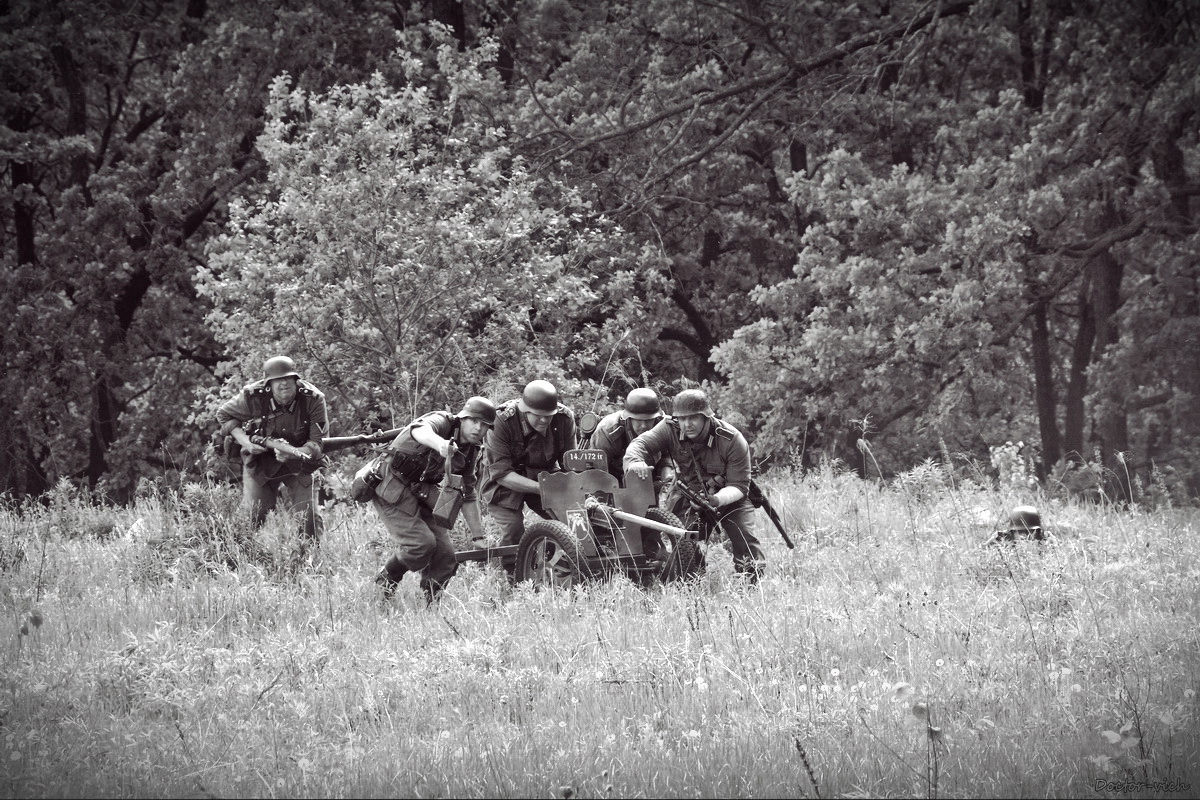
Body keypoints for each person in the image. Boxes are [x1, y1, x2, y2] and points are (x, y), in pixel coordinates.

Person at [624, 388, 765, 582]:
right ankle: (691, 584)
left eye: (693, 418)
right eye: (682, 418)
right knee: (684, 542)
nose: (687, 424)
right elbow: (640, 444)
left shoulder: (731, 439)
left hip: (730, 497)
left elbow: (739, 486)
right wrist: (635, 462)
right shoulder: (670, 428)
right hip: (690, 494)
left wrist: (715, 500)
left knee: (745, 538)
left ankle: (752, 584)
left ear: (706, 417)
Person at [372, 397, 497, 605]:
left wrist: (478, 537)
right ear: (463, 418)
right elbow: (419, 430)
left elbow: (468, 493)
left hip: (421, 491)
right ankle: (385, 581)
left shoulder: (471, 450)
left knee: (445, 556)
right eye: (474, 421)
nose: (478, 428)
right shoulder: (442, 421)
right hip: (391, 485)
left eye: (484, 425)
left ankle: (429, 605)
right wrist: (440, 444)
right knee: (421, 544)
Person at [216, 355, 329, 562]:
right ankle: (237, 560)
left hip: (300, 462)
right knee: (254, 514)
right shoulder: (253, 396)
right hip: (261, 462)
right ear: (268, 384)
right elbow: (223, 415)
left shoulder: (313, 399)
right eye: (278, 380)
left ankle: (311, 563)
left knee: (308, 517)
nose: (284, 383)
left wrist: (293, 452)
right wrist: (245, 442)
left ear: (296, 379)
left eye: (288, 378)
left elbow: (318, 444)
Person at [480, 380, 576, 573]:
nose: (544, 421)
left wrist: (569, 494)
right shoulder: (502, 420)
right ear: (525, 411)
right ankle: (514, 575)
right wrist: (542, 488)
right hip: (505, 481)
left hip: (545, 475)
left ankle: (563, 566)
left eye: (548, 416)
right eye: (538, 416)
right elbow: (502, 474)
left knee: (571, 519)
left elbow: (570, 463)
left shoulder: (564, 418)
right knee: (513, 529)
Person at [586, 388, 664, 483]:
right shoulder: (608, 430)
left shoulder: (663, 426)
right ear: (628, 418)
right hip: (612, 482)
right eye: (639, 420)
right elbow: (595, 472)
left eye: (648, 420)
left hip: (651, 481)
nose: (643, 426)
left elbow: (670, 456)